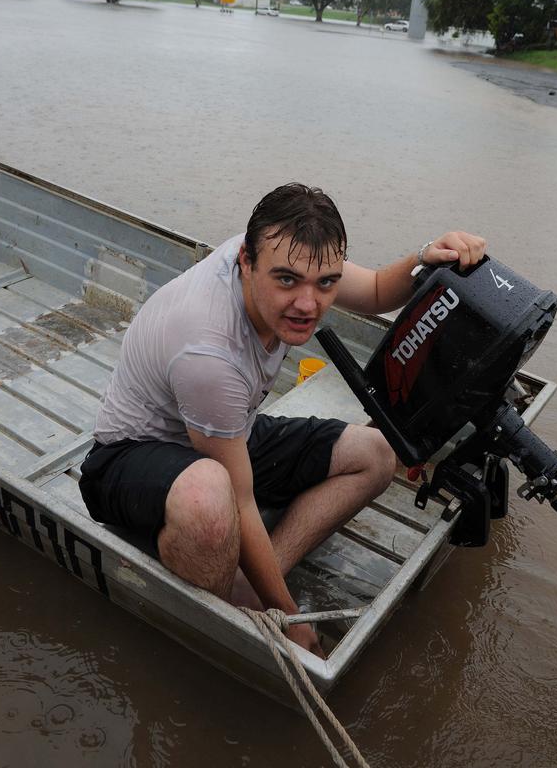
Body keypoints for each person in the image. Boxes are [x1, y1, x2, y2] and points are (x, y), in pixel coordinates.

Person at [79, 183, 486, 654]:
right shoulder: (209, 351)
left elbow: (375, 290)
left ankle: (249, 585)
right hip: (126, 459)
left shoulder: (286, 253)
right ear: (245, 260)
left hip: (225, 434)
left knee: (377, 452)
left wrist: (428, 257)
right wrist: (288, 614)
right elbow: (240, 499)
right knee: (211, 498)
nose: (308, 305)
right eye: (287, 281)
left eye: (326, 283)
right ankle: (229, 617)